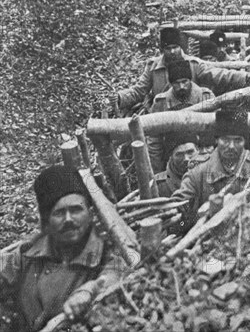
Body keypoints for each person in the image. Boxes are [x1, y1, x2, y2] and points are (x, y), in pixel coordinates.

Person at [0, 166, 126, 331]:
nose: (68, 219)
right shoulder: (28, 254)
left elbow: (113, 275)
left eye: (76, 210)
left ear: (89, 214)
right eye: (59, 213)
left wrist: (89, 291)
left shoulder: (104, 255)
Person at [171, 110, 250, 233]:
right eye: (225, 140)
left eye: (237, 140)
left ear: (245, 141)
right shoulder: (198, 173)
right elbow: (177, 208)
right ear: (216, 140)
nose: (231, 146)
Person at [111, 27, 250, 112]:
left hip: (192, 110)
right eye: (168, 48)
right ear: (162, 50)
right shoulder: (153, 67)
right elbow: (139, 90)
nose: (172, 52)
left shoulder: (193, 64)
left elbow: (219, 75)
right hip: (160, 112)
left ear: (181, 47)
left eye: (175, 47)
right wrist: (120, 98)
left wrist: (245, 77)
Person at [147, 60, 216, 172]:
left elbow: (215, 131)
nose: (181, 86)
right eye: (176, 83)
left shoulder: (206, 97)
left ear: (191, 80)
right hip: (173, 159)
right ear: (170, 83)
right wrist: (158, 171)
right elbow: (154, 141)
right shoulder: (161, 103)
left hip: (203, 156)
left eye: (185, 81)